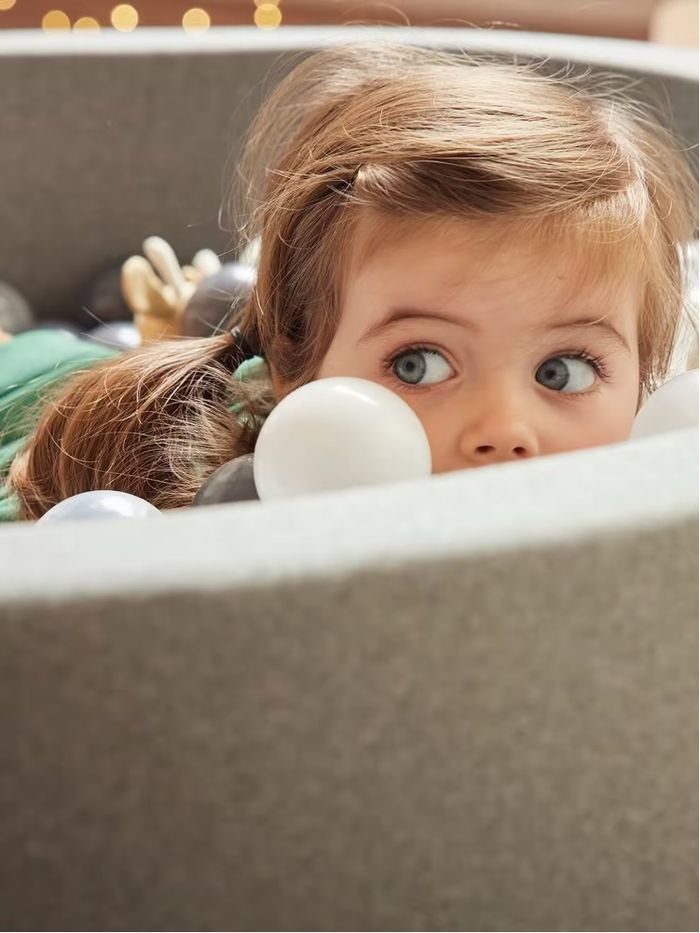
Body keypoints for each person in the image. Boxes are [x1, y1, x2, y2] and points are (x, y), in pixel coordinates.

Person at [2, 42, 696, 521]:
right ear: (293, 370)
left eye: (565, 371)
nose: (506, 431)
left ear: (646, 382)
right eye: (417, 363)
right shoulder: (190, 521)